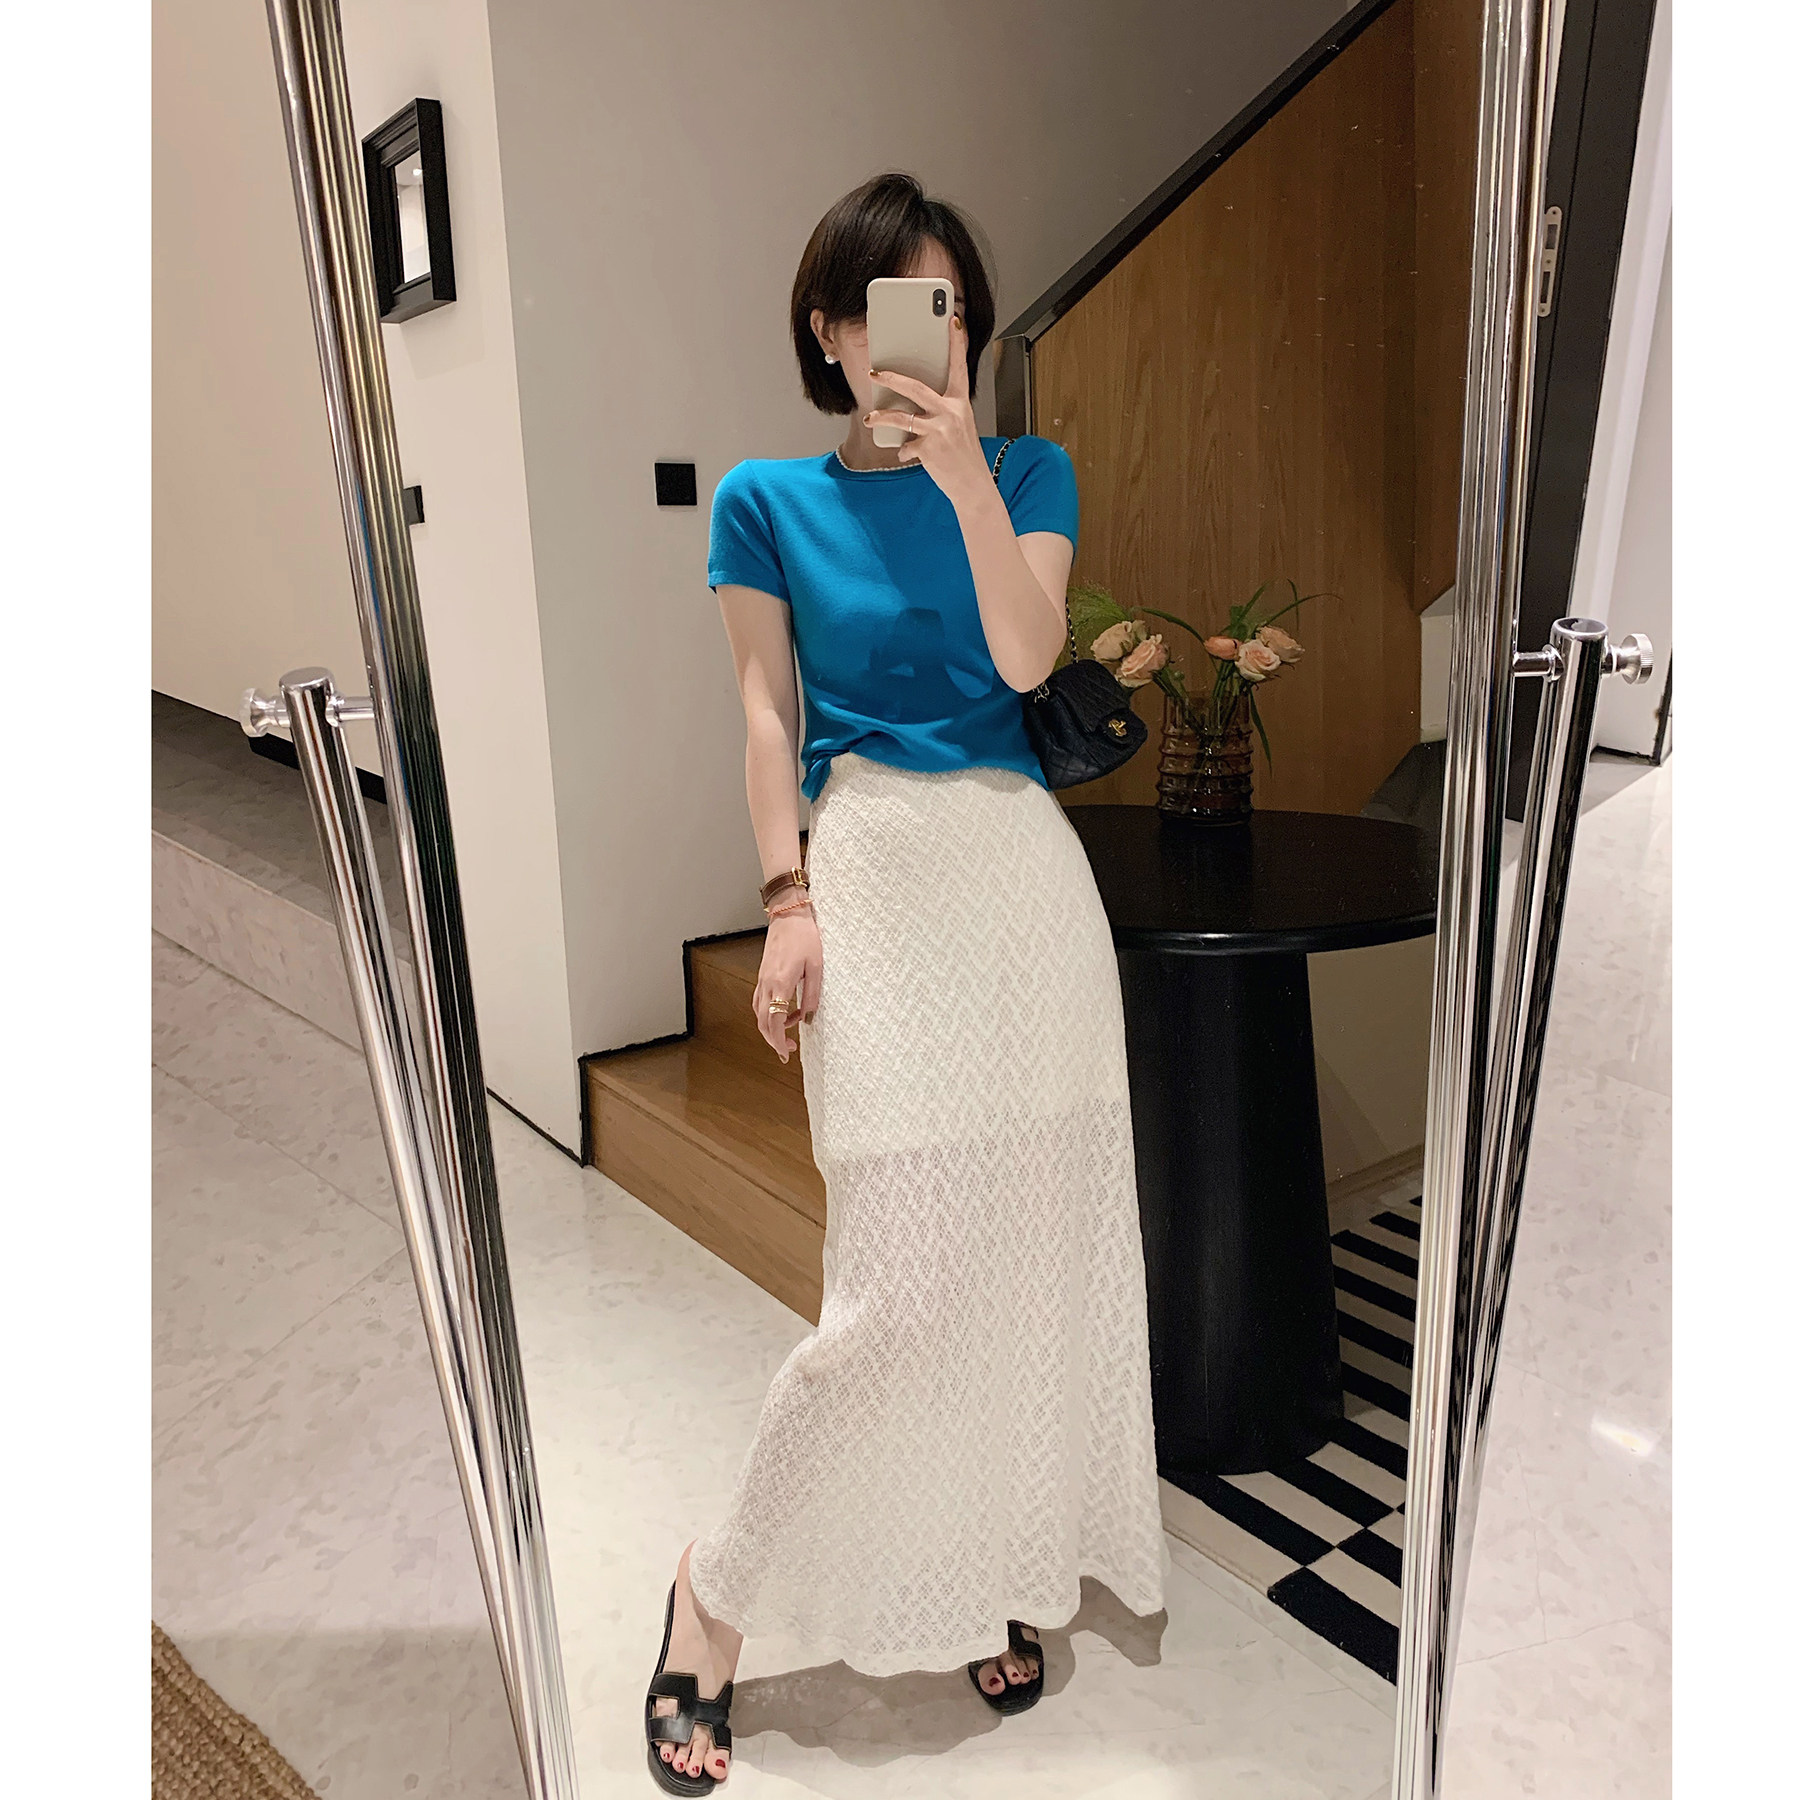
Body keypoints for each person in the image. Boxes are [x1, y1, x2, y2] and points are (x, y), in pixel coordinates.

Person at [644, 171, 1166, 1793]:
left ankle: (987, 1565)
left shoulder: (1026, 472)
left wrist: (964, 479)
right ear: (829, 329)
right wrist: (785, 897)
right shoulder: (763, 502)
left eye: (946, 310)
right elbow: (764, 714)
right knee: (894, 1292)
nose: (916, 341)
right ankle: (714, 1598)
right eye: (886, 310)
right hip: (872, 875)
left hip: (1024, 889)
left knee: (1026, 1263)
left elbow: (1026, 659)